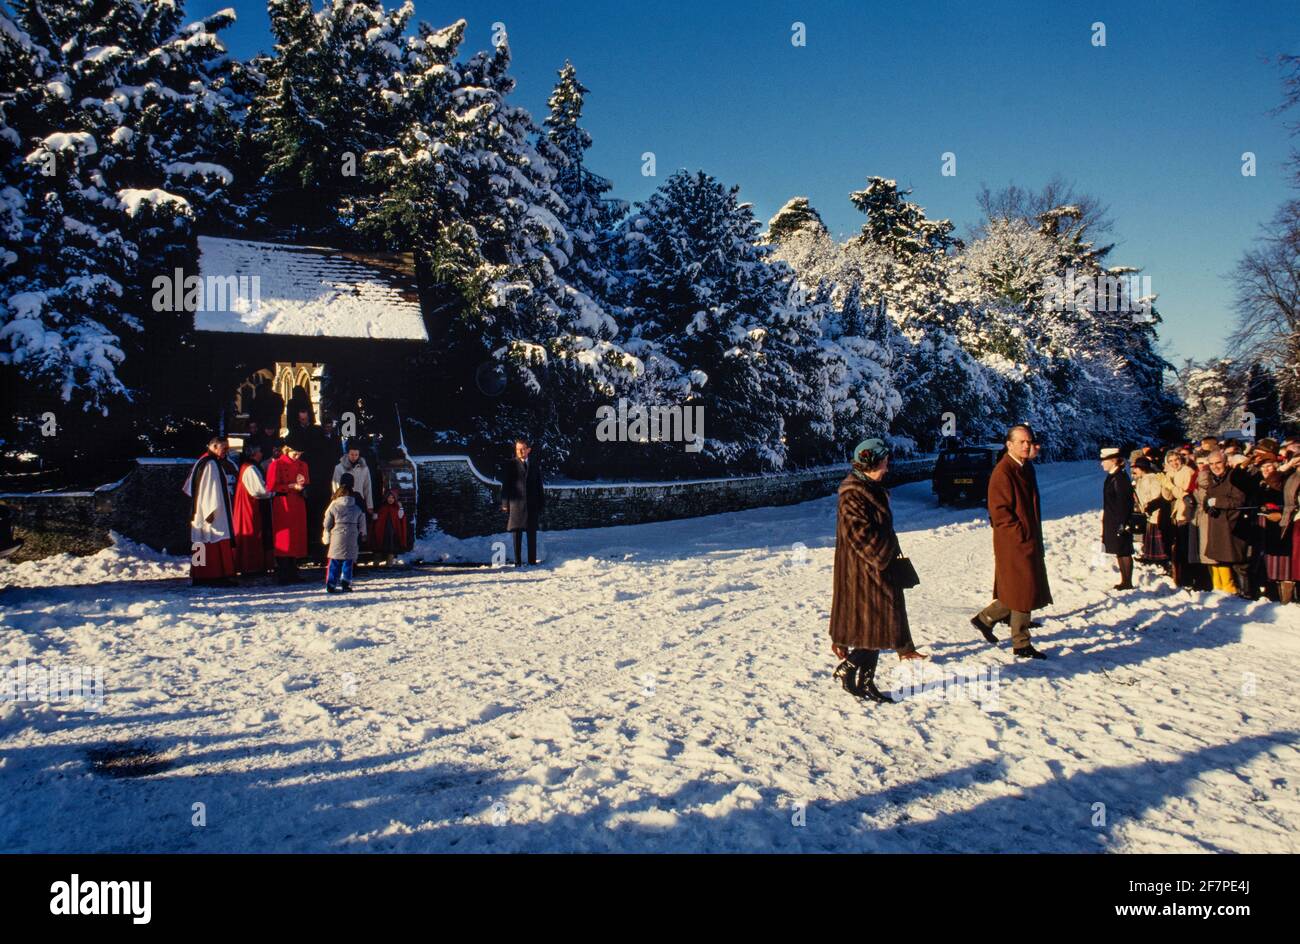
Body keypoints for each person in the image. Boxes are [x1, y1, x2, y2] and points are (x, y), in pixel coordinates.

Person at [829, 439, 927, 705]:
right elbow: (859, 535)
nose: (887, 467)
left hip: (878, 569)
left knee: (874, 629)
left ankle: (864, 682)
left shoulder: (871, 487)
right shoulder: (853, 493)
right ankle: (849, 668)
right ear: (873, 462)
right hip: (864, 571)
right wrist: (884, 553)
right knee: (878, 627)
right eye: (884, 462)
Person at [971, 424, 1051, 659]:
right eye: (1021, 442)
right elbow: (999, 512)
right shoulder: (1003, 472)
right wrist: (1021, 536)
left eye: (1029, 441)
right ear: (1009, 445)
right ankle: (1021, 642)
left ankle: (986, 619)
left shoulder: (1024, 467)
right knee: (1023, 589)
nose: (1026, 445)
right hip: (1015, 543)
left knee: (1018, 588)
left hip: (1025, 540)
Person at [182, 435, 239, 587]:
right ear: (214, 447)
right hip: (211, 511)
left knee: (199, 541)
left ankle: (198, 575)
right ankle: (215, 575)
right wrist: (210, 511)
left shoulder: (202, 461)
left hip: (200, 510)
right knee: (213, 541)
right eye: (224, 448)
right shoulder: (211, 464)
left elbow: (189, 488)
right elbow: (210, 490)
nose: (226, 452)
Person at [1197, 450, 1253, 598]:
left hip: (1233, 523)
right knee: (1221, 559)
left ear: (1226, 462)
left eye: (1218, 463)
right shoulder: (1212, 479)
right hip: (1217, 523)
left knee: (1239, 561)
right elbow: (1207, 500)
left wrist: (1218, 502)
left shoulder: (1233, 478)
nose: (1215, 466)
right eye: (1212, 464)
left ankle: (1245, 593)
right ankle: (1227, 592)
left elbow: (1239, 501)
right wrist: (1209, 507)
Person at [268, 440, 310, 584]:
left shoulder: (303, 465)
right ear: (287, 450)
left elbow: (306, 483)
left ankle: (293, 571)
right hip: (283, 502)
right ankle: (283, 572)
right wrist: (290, 486)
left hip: (297, 502)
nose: (297, 456)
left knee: (296, 536)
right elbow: (271, 486)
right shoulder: (277, 464)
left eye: (299, 453)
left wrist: (303, 490)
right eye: (294, 453)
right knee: (284, 537)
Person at [500, 437, 544, 566]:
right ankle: (517, 562)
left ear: (528, 450)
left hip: (532, 505)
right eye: (517, 449)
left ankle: (532, 562)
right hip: (516, 505)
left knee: (532, 535)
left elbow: (539, 485)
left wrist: (541, 502)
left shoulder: (534, 465)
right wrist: (504, 503)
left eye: (522, 449)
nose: (520, 452)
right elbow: (506, 485)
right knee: (516, 535)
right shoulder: (511, 465)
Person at [232, 442, 273, 577]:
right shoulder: (250, 469)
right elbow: (259, 490)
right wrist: (274, 491)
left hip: (250, 505)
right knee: (253, 534)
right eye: (260, 451)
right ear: (255, 453)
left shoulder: (247, 467)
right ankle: (251, 566)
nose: (262, 454)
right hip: (251, 507)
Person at [322, 473, 367, 593]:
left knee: (335, 561)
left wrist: (326, 531)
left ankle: (331, 584)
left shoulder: (334, 505)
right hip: (352, 534)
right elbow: (362, 518)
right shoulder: (356, 503)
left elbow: (327, 521)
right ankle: (346, 582)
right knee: (348, 561)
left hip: (337, 534)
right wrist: (363, 532)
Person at [1100, 448, 1136, 590]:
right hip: (1114, 519)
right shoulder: (1114, 476)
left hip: (1119, 520)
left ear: (1113, 461)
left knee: (1124, 549)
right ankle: (1125, 580)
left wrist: (1122, 523)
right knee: (1120, 549)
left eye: (1104, 461)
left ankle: (1127, 581)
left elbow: (1123, 503)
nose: (1102, 464)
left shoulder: (1119, 478)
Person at [1160, 450, 1196, 588]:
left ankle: (1188, 578)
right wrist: (1166, 486)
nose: (1174, 463)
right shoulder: (1170, 473)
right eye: (1171, 461)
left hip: (1185, 513)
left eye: (1176, 460)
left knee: (1185, 547)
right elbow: (1168, 497)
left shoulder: (1187, 471)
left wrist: (1171, 486)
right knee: (1176, 547)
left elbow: (1186, 494)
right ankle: (1179, 577)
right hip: (1175, 513)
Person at [1132, 457, 1170, 574]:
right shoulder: (1141, 479)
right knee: (1149, 535)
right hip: (1147, 512)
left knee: (1157, 537)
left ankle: (1162, 560)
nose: (1134, 471)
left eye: (1136, 468)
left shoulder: (1152, 479)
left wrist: (1149, 506)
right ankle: (1150, 556)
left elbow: (1156, 495)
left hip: (1155, 512)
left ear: (1142, 468)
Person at [333, 441, 375, 523]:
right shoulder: (339, 468)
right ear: (347, 454)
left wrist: (369, 505)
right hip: (344, 501)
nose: (354, 457)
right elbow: (335, 486)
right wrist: (336, 502)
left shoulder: (364, 468)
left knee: (360, 525)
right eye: (352, 454)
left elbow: (367, 487)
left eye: (356, 455)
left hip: (359, 501)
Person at [372, 486, 408, 566]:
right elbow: (375, 517)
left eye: (392, 498)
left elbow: (400, 517)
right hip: (382, 531)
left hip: (392, 531)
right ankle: (376, 562)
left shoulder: (396, 508)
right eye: (389, 497)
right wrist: (375, 514)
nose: (390, 499)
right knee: (378, 546)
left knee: (391, 547)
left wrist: (401, 507)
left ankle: (389, 563)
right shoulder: (382, 507)